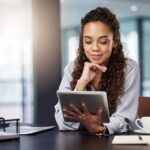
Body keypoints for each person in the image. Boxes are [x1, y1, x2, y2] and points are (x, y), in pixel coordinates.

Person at [54, 7, 140, 135]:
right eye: (88, 41)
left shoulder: (128, 68)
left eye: (103, 41)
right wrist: (81, 83)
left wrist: (101, 128)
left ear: (115, 41)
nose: (95, 48)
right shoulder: (72, 68)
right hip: (82, 142)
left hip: (120, 141)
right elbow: (62, 122)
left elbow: (124, 118)